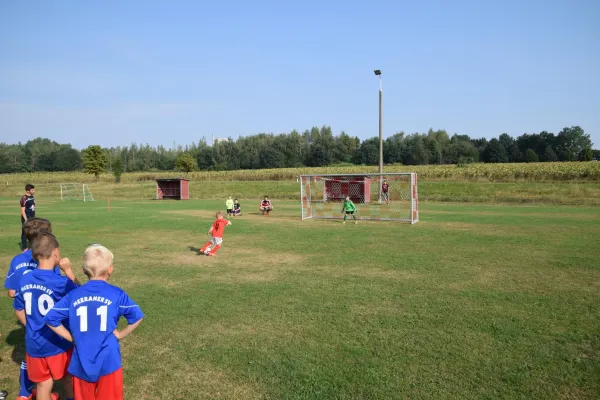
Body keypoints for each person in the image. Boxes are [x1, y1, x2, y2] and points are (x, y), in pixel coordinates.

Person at [45, 244, 144, 400]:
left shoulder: (74, 295)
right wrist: (120, 334)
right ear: (110, 269)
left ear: (84, 271)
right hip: (109, 361)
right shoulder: (116, 294)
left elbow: (50, 319)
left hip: (81, 361)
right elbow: (137, 316)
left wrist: (71, 337)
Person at [13, 232, 78, 400]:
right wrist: (69, 270)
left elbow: (18, 309)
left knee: (43, 383)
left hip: (34, 343)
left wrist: (31, 327)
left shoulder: (24, 279)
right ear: (55, 252)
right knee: (67, 379)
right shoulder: (61, 282)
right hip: (59, 342)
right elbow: (80, 296)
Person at [4, 218, 60, 400]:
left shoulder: (17, 260)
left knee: (29, 355)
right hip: (50, 321)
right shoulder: (48, 260)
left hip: (29, 318)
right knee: (50, 359)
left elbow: (12, 293)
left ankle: (24, 392)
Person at [20, 184, 36, 250]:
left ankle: (32, 246)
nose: (34, 191)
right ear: (28, 191)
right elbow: (22, 211)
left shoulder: (32, 196)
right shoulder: (24, 198)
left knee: (32, 232)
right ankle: (25, 248)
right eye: (32, 190)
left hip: (32, 217)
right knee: (25, 232)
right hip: (26, 217)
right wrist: (26, 220)